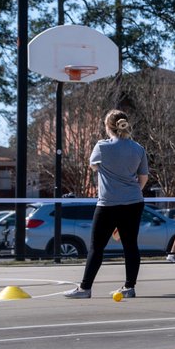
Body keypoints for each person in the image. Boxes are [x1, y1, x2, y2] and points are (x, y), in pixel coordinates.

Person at [63, 110, 149, 299]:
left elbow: (93, 166)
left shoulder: (102, 146)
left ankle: (85, 288)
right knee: (130, 245)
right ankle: (129, 287)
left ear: (108, 126)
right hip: (134, 203)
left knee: (97, 246)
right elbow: (143, 178)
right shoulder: (138, 148)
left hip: (108, 204)